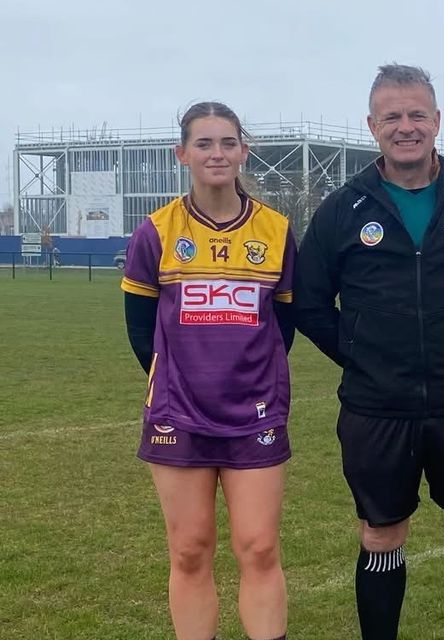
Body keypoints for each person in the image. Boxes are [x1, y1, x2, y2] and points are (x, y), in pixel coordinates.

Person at [294, 64, 444, 640]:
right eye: (392, 116)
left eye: (416, 114)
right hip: (377, 405)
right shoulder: (342, 209)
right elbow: (312, 302)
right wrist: (362, 350)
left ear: (437, 121)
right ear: (372, 126)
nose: (406, 127)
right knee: (381, 534)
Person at [121, 101, 296, 640]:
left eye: (227, 143)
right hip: (179, 412)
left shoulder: (277, 230)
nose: (216, 154)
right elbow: (139, 329)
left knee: (259, 548)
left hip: (254, 413)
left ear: (244, 152)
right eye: (204, 143)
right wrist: (181, 379)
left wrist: (250, 377)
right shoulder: (155, 232)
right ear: (182, 154)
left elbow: (283, 324)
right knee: (191, 550)